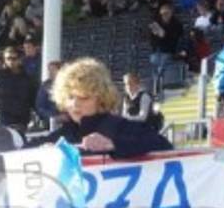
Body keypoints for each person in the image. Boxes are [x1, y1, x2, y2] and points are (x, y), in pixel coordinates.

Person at [42, 58, 172, 165]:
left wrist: (114, 145)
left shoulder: (125, 128)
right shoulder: (60, 136)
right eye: (70, 97)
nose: (75, 104)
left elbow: (165, 147)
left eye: (84, 97)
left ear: (101, 98)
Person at [0, 47, 38, 131]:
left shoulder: (27, 77)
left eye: (14, 58)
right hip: (4, 116)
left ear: (20, 59)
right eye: (8, 58)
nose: (11, 61)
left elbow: (34, 96)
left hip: (22, 117)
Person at [149, 4, 184, 93]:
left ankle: (159, 86)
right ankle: (156, 85)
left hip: (169, 50)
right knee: (154, 65)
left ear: (171, 13)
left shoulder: (177, 24)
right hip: (157, 50)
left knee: (162, 66)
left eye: (166, 13)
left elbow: (176, 39)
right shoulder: (157, 23)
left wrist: (164, 35)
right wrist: (157, 35)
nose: (164, 16)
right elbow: (151, 38)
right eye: (162, 14)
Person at [35, 60, 63, 126]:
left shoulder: (70, 85)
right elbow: (40, 107)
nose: (50, 72)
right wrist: (53, 117)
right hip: (51, 122)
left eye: (53, 70)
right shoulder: (45, 86)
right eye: (49, 70)